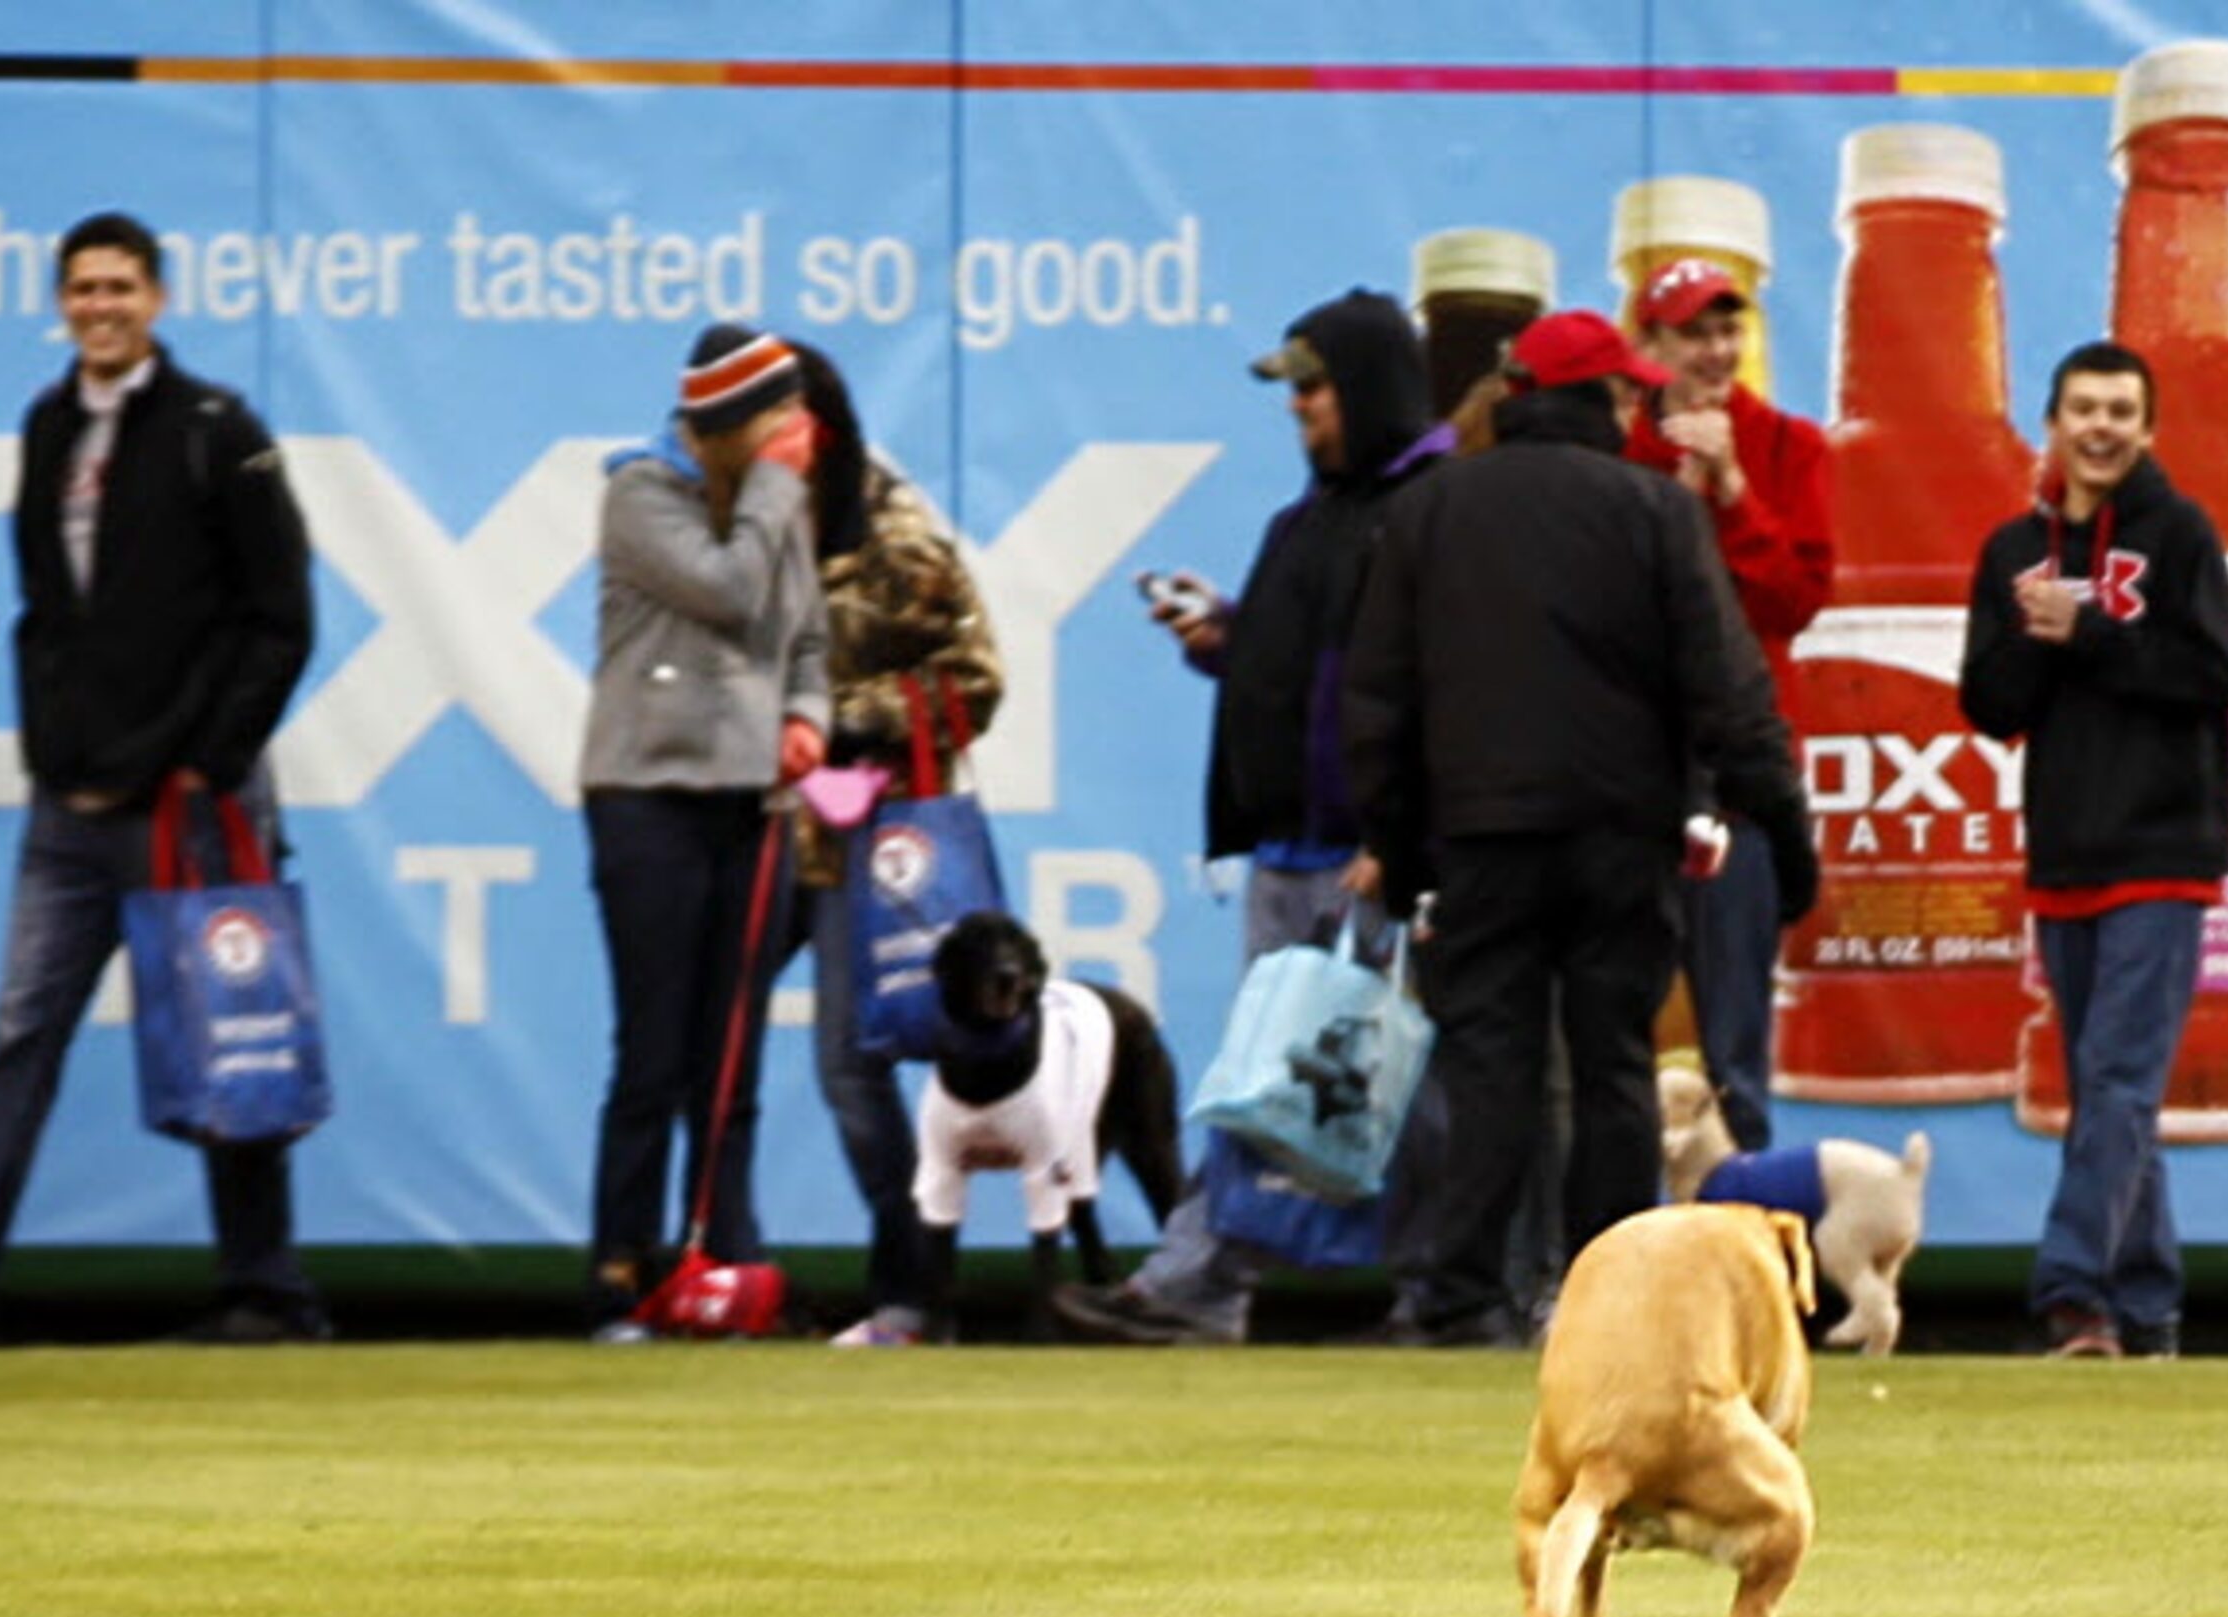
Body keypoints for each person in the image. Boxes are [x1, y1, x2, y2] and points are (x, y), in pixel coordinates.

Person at [0, 212, 326, 1349]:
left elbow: (282, 618)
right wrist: (57, 749)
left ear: (158, 297)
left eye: (119, 287)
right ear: (61, 303)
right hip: (71, 806)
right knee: (20, 1035)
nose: (100, 306)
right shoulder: (47, 425)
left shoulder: (219, 430)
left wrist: (208, 758)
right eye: (81, 289)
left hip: (193, 802)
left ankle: (265, 1293)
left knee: (229, 1026)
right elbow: (48, 615)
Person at [1343, 309, 1815, 1349]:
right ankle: (1610, 1306)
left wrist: (1407, 844)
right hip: (1619, 836)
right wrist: (1783, 823)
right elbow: (1725, 684)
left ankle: (1462, 1296)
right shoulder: (1652, 510)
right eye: (1630, 392)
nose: (1639, 406)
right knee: (1610, 1069)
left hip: (1481, 838)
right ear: (1601, 400)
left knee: (1490, 1066)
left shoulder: (1428, 511)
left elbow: (1375, 699)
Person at [1050, 289, 1453, 1347]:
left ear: (1363, 389)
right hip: (1292, 851)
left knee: (1402, 1085)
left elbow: (1427, 690)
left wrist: (1396, 837)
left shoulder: (1429, 508)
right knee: (1265, 1082)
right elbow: (1304, 671)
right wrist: (1226, 639)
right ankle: (1202, 1283)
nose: (1299, 409)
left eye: (1313, 389)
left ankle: (1434, 1293)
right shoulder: (1308, 518)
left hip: (1375, 859)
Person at [1956, 342, 2228, 1361]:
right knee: (2107, 1095)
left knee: (2116, 1082)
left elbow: (2210, 676)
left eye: (2121, 410)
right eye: (2083, 408)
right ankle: (2148, 1300)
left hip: (2163, 851)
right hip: (2064, 854)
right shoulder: (2006, 551)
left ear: (2148, 428)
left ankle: (2071, 1293)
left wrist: (2090, 634)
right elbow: (1987, 706)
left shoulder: (2182, 536)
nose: (2102, 427)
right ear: (2053, 421)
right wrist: (2031, 639)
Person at [577, 322, 830, 1333]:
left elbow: (803, 631)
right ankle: (621, 1271)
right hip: (648, 796)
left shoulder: (782, 510)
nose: (798, 435)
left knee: (731, 1053)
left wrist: (805, 714)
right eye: (780, 415)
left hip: (751, 800)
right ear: (730, 424)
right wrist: (773, 486)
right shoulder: (639, 493)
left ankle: (727, 1263)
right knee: (654, 1051)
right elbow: (725, 589)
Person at [756, 341, 1004, 1349]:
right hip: (758, 824)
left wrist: (839, 717)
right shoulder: (739, 525)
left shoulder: (896, 535)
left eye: (782, 423)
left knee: (850, 1066)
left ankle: (912, 1288)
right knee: (704, 1050)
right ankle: (716, 1269)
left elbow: (975, 679)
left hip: (868, 839)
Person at [1622, 259, 1833, 1155]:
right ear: (1650, 348)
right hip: (1626, 787)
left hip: (1737, 792)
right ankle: (1617, 1255)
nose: (1715, 351)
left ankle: (1743, 1258)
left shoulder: (1790, 445)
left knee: (1732, 1050)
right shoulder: (1619, 447)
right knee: (1618, 1043)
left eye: (1726, 330)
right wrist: (1678, 491)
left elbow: (1794, 600)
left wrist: (1736, 490)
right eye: (1692, 334)